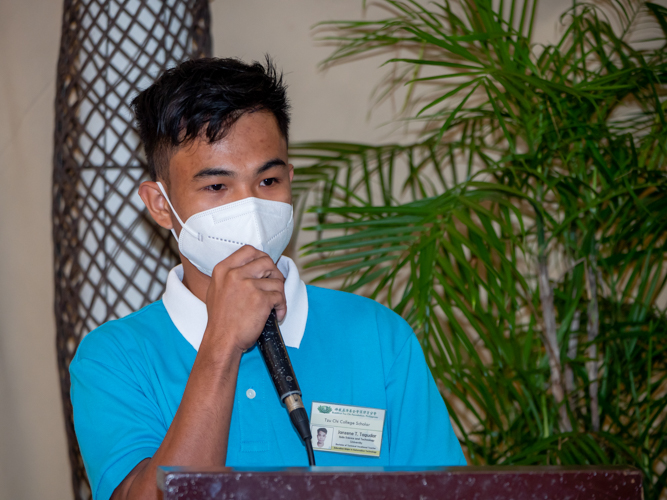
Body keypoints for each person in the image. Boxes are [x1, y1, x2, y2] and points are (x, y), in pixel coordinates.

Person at [70, 57, 466, 500]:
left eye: (268, 180)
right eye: (217, 187)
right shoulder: (113, 358)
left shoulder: (378, 335)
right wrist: (221, 343)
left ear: (290, 181)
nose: (251, 207)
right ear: (161, 205)